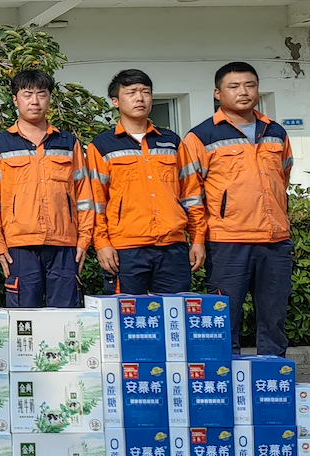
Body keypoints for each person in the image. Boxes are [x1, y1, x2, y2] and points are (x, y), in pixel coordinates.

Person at [184, 62, 293, 355]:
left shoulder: (275, 132)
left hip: (275, 241)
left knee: (274, 320)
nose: (243, 92)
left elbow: (282, 178)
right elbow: (192, 193)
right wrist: (197, 239)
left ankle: (272, 376)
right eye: (234, 86)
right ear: (218, 93)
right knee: (222, 319)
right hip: (227, 242)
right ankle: (224, 377)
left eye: (250, 85)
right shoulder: (201, 136)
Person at [0, 70, 93, 308]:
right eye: (27, 94)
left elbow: (84, 195)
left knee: (66, 317)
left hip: (64, 245)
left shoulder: (68, 143)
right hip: (19, 247)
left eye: (41, 94)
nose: (35, 101)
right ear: (15, 100)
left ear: (49, 98)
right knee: (25, 318)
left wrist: (84, 240)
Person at [87, 69, 204, 295]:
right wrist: (102, 244)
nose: (140, 98)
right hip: (126, 249)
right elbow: (96, 202)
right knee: (127, 314)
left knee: (174, 314)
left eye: (145, 92)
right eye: (131, 93)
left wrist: (198, 239)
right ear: (115, 101)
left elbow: (191, 194)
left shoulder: (171, 142)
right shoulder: (101, 146)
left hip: (172, 247)